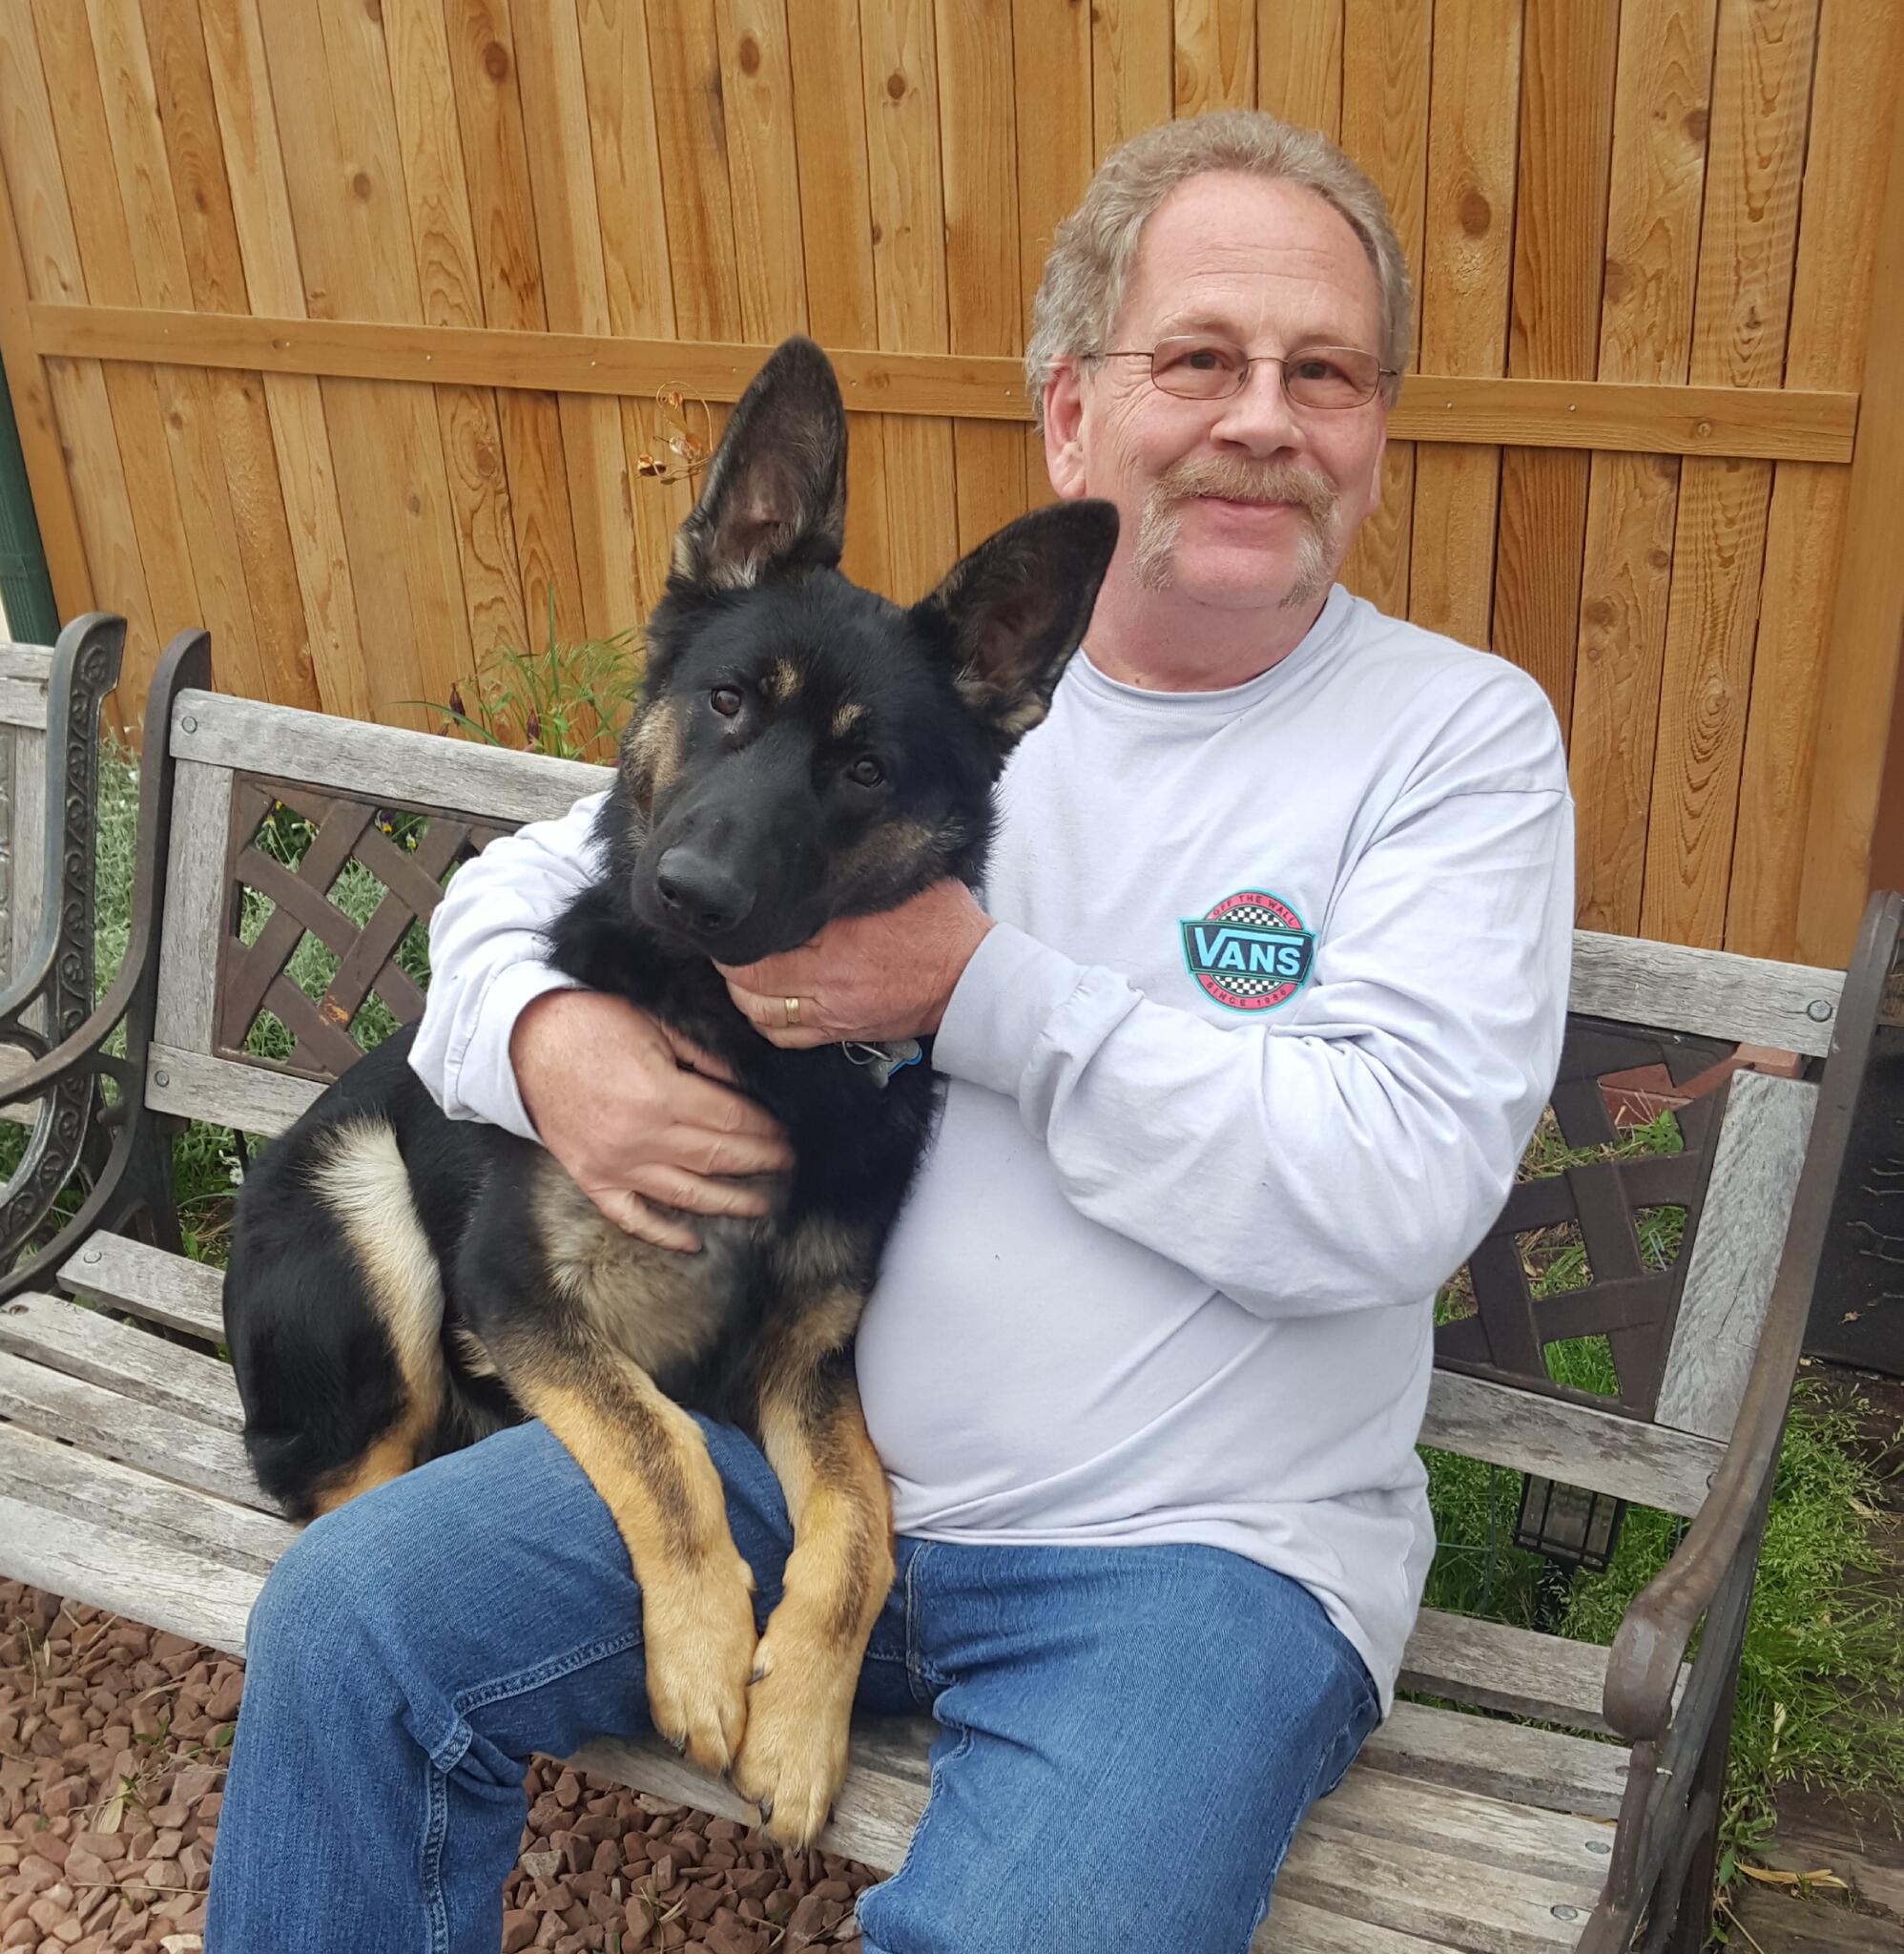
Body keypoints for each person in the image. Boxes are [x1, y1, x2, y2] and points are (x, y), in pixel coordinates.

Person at [206, 109, 1573, 1954]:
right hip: (788, 1462)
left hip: (1192, 1564)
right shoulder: (919, 694)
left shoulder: (1452, 746)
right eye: (1200, 359)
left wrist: (980, 994)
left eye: (1321, 372)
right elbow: (519, 896)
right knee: (348, 1633)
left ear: (1374, 433)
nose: (1264, 414)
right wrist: (544, 1042)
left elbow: (1395, 1187)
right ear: (1071, 413)